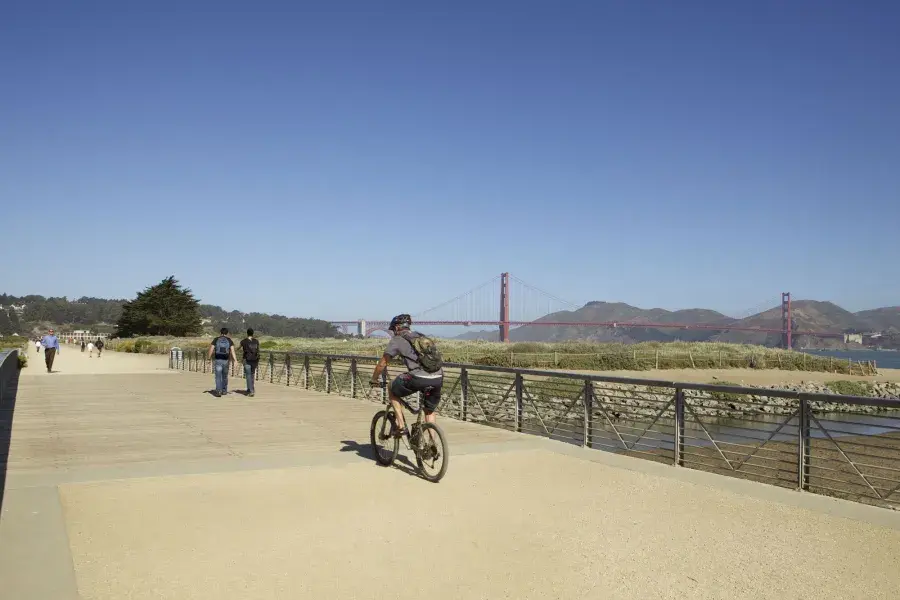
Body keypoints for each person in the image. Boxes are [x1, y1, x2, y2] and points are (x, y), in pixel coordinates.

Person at [370, 314, 444, 440]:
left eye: (393, 329)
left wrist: (374, 379)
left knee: (391, 387)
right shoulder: (421, 336)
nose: (393, 332)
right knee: (429, 410)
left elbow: (382, 363)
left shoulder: (397, 340)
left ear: (397, 328)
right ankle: (433, 444)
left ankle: (401, 425)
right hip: (438, 376)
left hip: (418, 377)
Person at [208, 327, 237, 397]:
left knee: (218, 376)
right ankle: (224, 390)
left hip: (218, 360)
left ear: (220, 333)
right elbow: (232, 351)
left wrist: (208, 359)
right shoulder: (229, 340)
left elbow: (211, 349)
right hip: (226, 361)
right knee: (224, 376)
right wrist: (235, 360)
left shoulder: (216, 339)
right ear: (227, 333)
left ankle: (218, 391)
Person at [239, 328, 260, 397]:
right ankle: (251, 389)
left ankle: (251, 391)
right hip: (255, 360)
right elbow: (258, 350)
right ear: (253, 333)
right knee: (252, 375)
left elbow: (238, 348)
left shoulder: (243, 341)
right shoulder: (256, 341)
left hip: (246, 360)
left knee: (248, 375)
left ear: (247, 333)